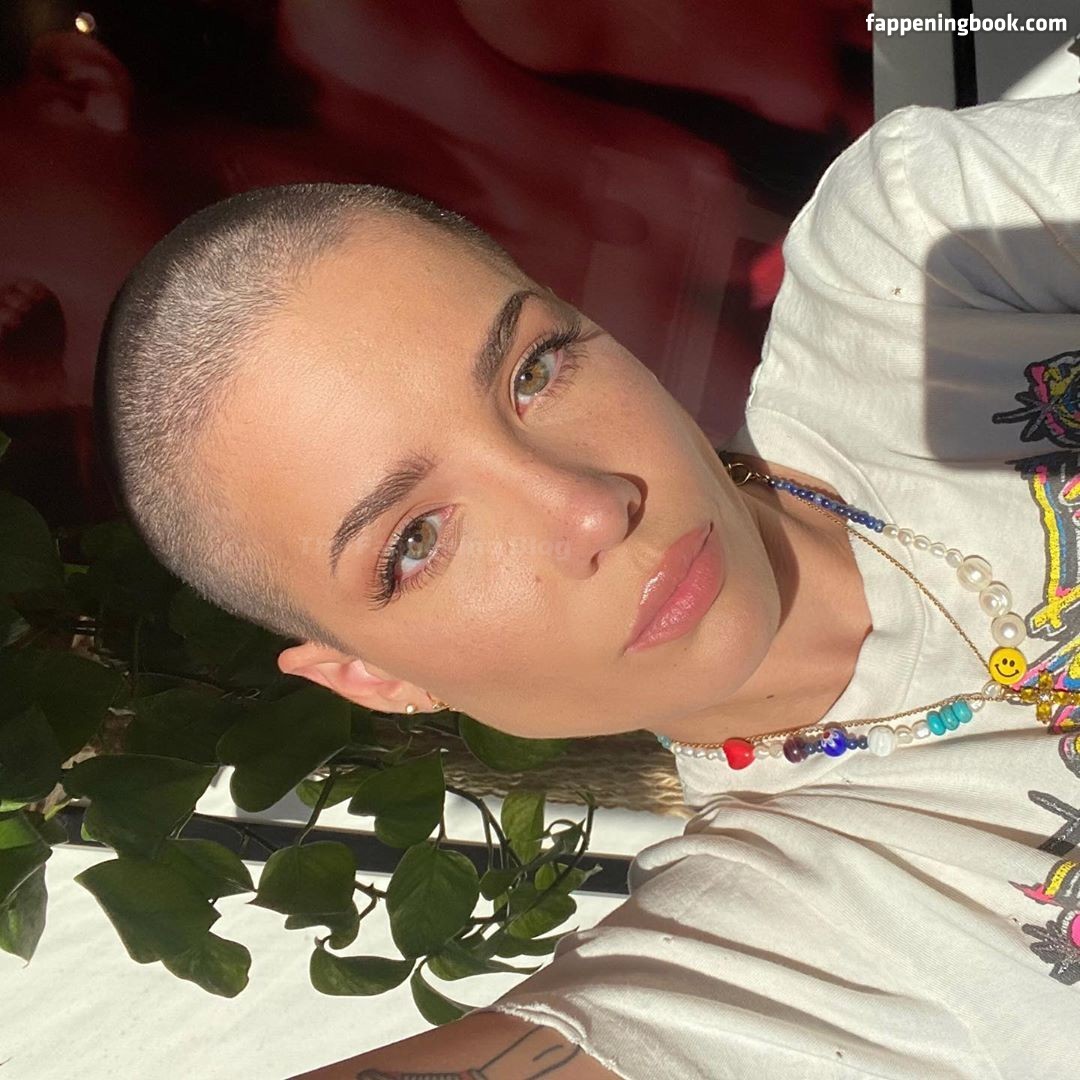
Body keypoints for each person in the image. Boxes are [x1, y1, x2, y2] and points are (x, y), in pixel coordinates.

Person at [96, 91, 1080, 1078]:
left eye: (533, 371)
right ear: (376, 679)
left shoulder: (917, 258)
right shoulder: (764, 969)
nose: (589, 508)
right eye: (417, 540)